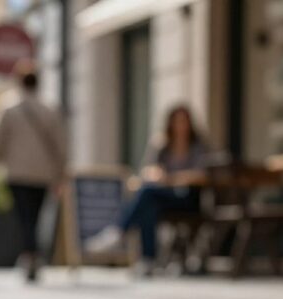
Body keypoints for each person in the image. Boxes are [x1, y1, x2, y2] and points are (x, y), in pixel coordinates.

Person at [84, 105, 210, 276]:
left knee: (148, 194)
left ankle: (119, 232)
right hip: (164, 197)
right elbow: (147, 171)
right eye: (177, 121)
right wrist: (156, 170)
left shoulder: (198, 146)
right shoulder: (163, 146)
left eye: (184, 121)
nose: (181, 126)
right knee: (149, 204)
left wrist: (171, 178)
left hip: (187, 198)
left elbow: (201, 175)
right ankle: (147, 260)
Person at [0, 61, 67, 283]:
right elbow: (61, 144)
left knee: (23, 216)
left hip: (16, 172)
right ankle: (33, 254)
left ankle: (29, 254)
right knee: (35, 216)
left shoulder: (8, 107)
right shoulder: (49, 108)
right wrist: (60, 172)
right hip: (43, 173)